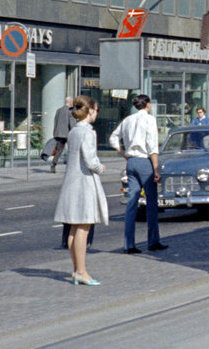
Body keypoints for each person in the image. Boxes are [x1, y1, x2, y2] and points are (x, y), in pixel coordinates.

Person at [53, 96, 107, 286]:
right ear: (90, 110)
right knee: (83, 227)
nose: (96, 114)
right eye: (97, 110)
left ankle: (76, 270)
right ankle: (82, 271)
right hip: (84, 183)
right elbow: (91, 160)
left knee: (74, 229)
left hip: (71, 182)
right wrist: (102, 168)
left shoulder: (74, 131)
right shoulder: (88, 132)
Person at [110, 94, 167, 254]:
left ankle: (129, 244)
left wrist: (124, 153)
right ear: (148, 104)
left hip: (131, 162)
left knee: (132, 202)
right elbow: (152, 146)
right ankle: (153, 241)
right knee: (151, 203)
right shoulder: (150, 120)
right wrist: (156, 169)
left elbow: (113, 138)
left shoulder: (128, 120)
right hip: (144, 162)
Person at [49, 97, 75, 174]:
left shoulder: (59, 110)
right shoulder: (70, 111)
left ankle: (54, 163)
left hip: (58, 133)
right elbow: (72, 124)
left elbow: (55, 121)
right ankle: (71, 166)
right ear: (70, 103)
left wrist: (55, 132)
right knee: (72, 149)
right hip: (67, 133)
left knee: (59, 150)